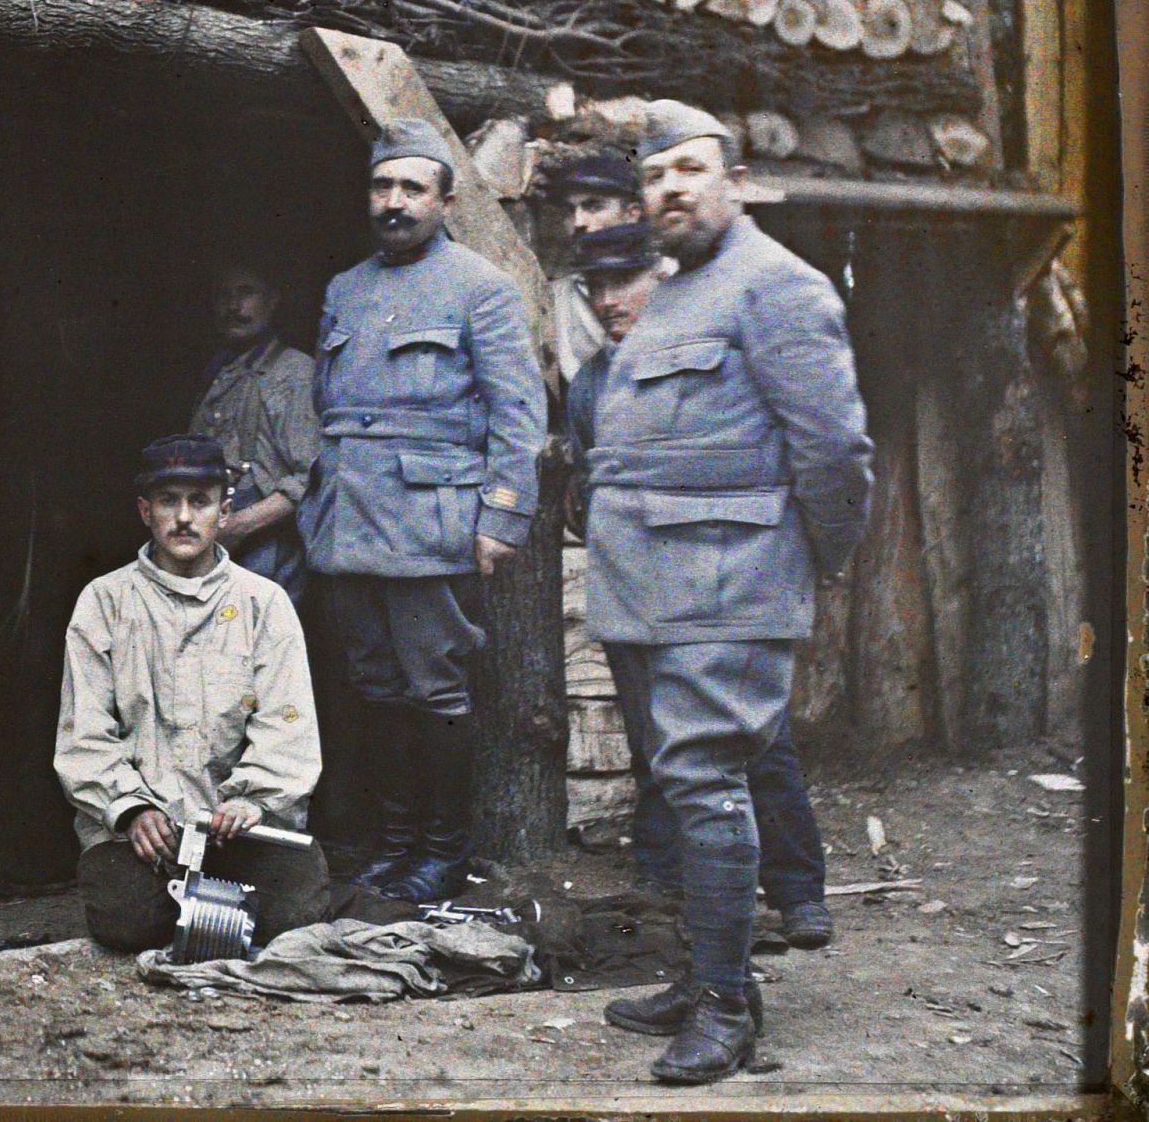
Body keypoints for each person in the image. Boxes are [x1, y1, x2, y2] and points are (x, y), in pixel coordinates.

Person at [584, 103, 872, 1083]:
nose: (669, 186)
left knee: (706, 785)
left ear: (734, 182)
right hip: (644, 589)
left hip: (728, 580)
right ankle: (701, 966)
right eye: (654, 172)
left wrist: (806, 561)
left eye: (690, 167)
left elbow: (833, 453)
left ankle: (726, 1005)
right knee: (675, 788)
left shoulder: (776, 288)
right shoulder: (669, 291)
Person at [563, 222, 835, 953]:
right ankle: (675, 889)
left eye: (625, 280)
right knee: (656, 743)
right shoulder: (592, 381)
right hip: (636, 583)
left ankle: (797, 888)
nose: (610, 299)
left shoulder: (723, 355)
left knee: (758, 742)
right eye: (596, 285)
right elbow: (590, 484)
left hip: (722, 577)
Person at [298, 120, 547, 904]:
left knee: (435, 691)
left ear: (444, 200)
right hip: (348, 523)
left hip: (429, 525)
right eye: (383, 186)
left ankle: (443, 852)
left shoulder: (482, 286)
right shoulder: (344, 288)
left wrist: (501, 517)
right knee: (374, 688)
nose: (394, 202)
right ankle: (395, 844)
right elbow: (325, 407)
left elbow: (518, 414)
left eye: (412, 188)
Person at [55, 434, 329, 952]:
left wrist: (253, 800)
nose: (184, 518)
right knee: (124, 923)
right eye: (167, 501)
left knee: (296, 918)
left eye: (199, 501)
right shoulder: (103, 602)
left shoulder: (263, 603)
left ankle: (215, 910)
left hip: (241, 828)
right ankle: (210, 912)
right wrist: (131, 809)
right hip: (143, 836)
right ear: (145, 511)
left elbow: (289, 727)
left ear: (224, 512)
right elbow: (83, 734)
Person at [189, 259, 320, 601]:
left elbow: (311, 478)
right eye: (223, 295)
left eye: (246, 293)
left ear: (272, 300)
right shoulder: (219, 370)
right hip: (214, 542)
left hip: (265, 549)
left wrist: (241, 526)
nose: (234, 307)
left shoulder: (294, 373)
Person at [547, 149, 644, 386]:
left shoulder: (671, 277)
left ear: (632, 214)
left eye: (594, 207)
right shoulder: (554, 297)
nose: (578, 222)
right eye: (570, 211)